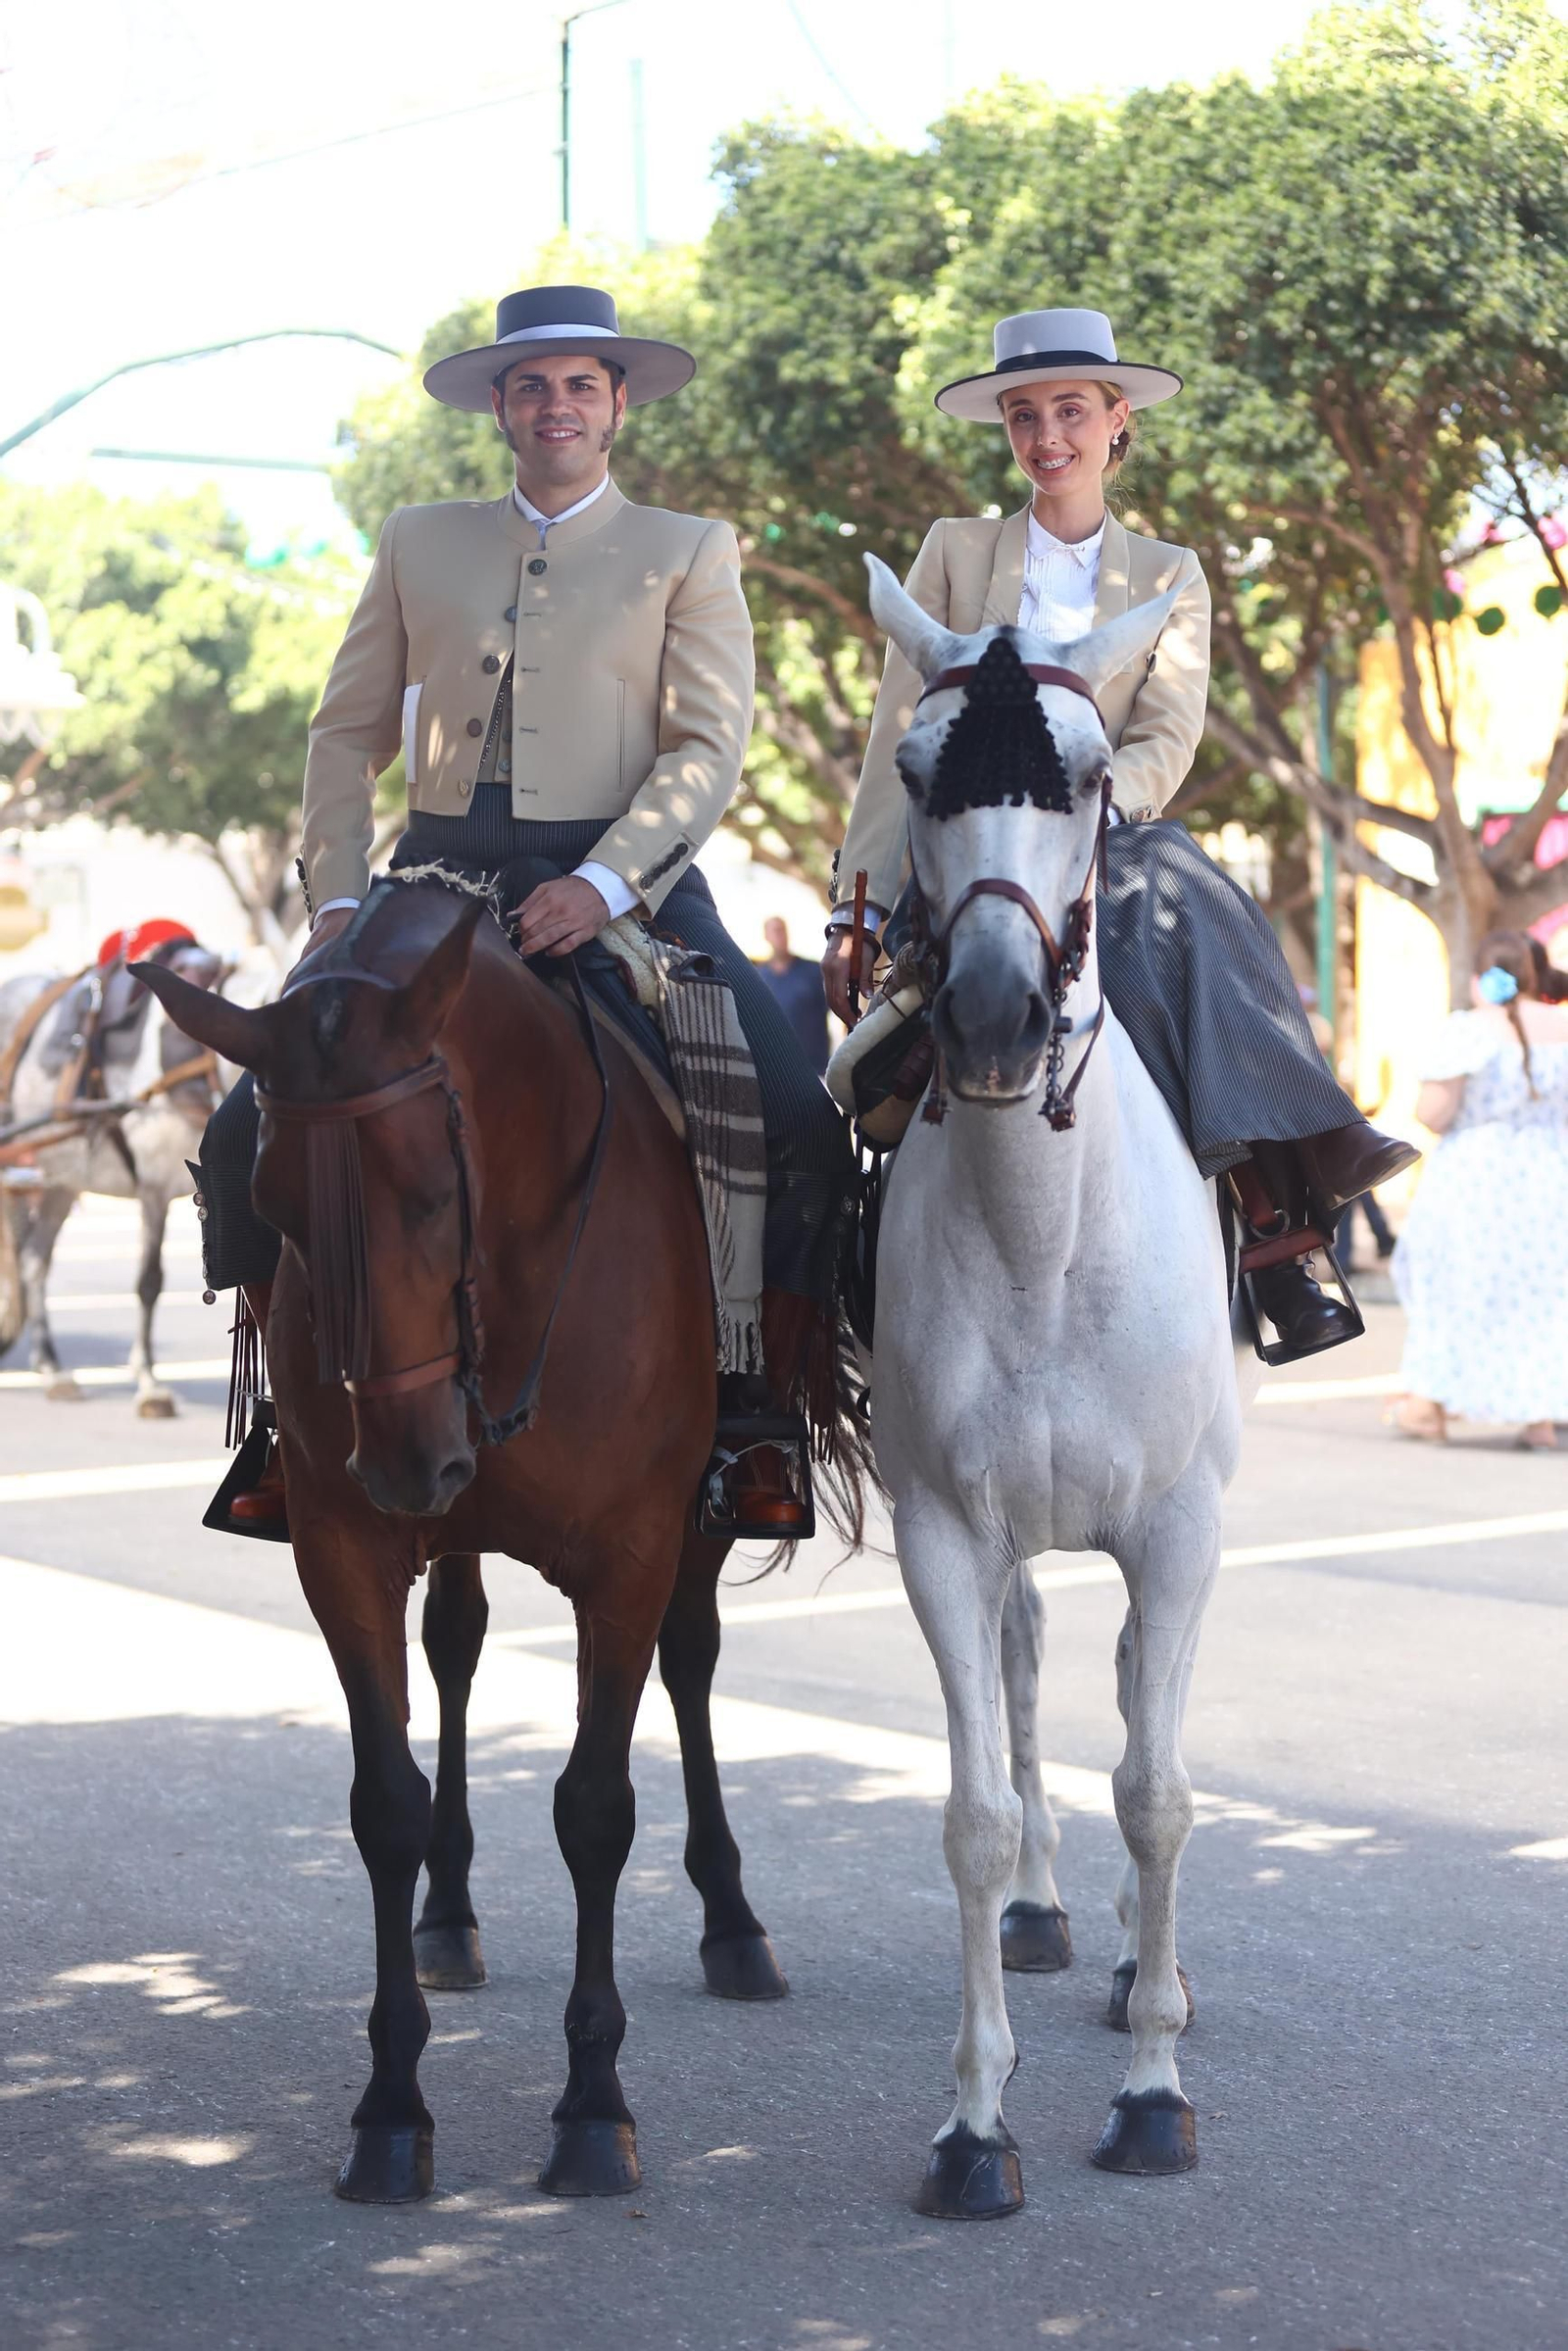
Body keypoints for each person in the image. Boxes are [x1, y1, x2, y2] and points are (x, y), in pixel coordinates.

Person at [199, 283, 853, 1533]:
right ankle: (288, 1426)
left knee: (792, 1124)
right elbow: (342, 737)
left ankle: (758, 1418)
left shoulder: (688, 548)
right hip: (429, 881)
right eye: (533, 385)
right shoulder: (417, 538)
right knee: (247, 1131)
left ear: (617, 407)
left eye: (581, 385)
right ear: (500, 406)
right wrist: (337, 900)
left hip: (626, 886)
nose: (558, 404)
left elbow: (705, 749)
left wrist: (603, 880)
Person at [823, 306, 1416, 1360]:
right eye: (1022, 414)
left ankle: (1281, 1229)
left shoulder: (1171, 572)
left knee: (1199, 908)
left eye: (1067, 410)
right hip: (966, 840)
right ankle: (839, 1271)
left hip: (1105, 831)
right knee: (855, 1072)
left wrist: (1088, 809)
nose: (1045, 434)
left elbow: (1167, 731)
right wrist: (853, 907)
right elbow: (891, 737)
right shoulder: (952, 553)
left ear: (1115, 419)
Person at [1392, 930, 1568, 1448]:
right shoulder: (1563, 1026)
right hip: (1551, 1178)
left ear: (1481, 979)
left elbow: (1434, 1114)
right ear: (1533, 976)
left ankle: (1431, 1405)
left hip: (1476, 1179)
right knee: (1540, 1296)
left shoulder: (1468, 1030)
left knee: (1456, 1288)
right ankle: (1538, 1418)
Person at [754, 915, 830, 1075]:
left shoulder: (813, 971)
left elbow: (828, 1007)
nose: (780, 936)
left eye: (782, 931)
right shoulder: (759, 977)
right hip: (776, 1067)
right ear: (766, 937)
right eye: (775, 931)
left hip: (814, 1066)